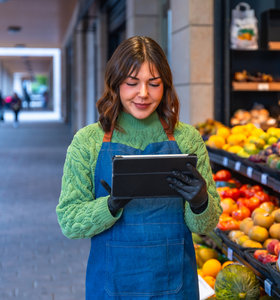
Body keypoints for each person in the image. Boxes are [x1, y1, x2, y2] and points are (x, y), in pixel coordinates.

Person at [56, 36, 222, 299]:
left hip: (175, 283)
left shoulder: (186, 138)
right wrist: (110, 205)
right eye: (132, 83)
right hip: (112, 286)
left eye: (153, 84)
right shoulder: (88, 141)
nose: (143, 94)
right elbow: (69, 221)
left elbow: (206, 224)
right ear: (116, 84)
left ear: (165, 86)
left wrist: (201, 201)